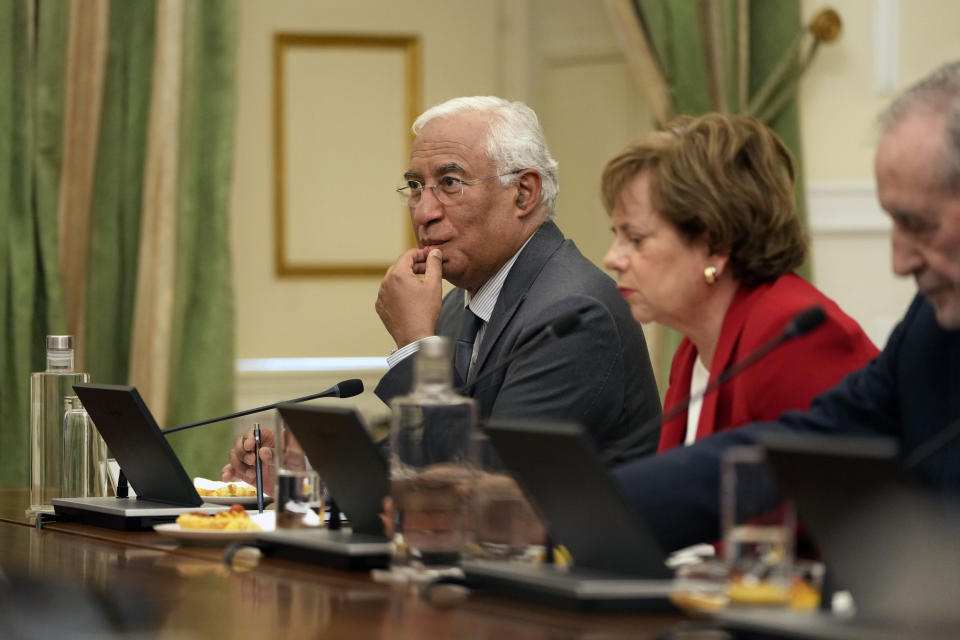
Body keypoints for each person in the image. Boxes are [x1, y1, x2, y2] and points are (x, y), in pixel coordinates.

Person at [611, 61, 960, 553]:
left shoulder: (796, 327)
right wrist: (601, 506)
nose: (899, 263)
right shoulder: (930, 329)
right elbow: (809, 446)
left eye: (918, 224)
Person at [223, 96, 662, 486]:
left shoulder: (573, 313)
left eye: (450, 184)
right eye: (415, 187)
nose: (425, 212)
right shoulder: (460, 303)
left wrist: (416, 346)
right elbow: (414, 463)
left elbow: (480, 487)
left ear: (524, 193)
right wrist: (313, 467)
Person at [600, 113, 878, 454]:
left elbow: (835, 499)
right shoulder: (693, 349)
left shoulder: (793, 338)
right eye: (617, 236)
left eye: (636, 239)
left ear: (715, 246)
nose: (611, 259)